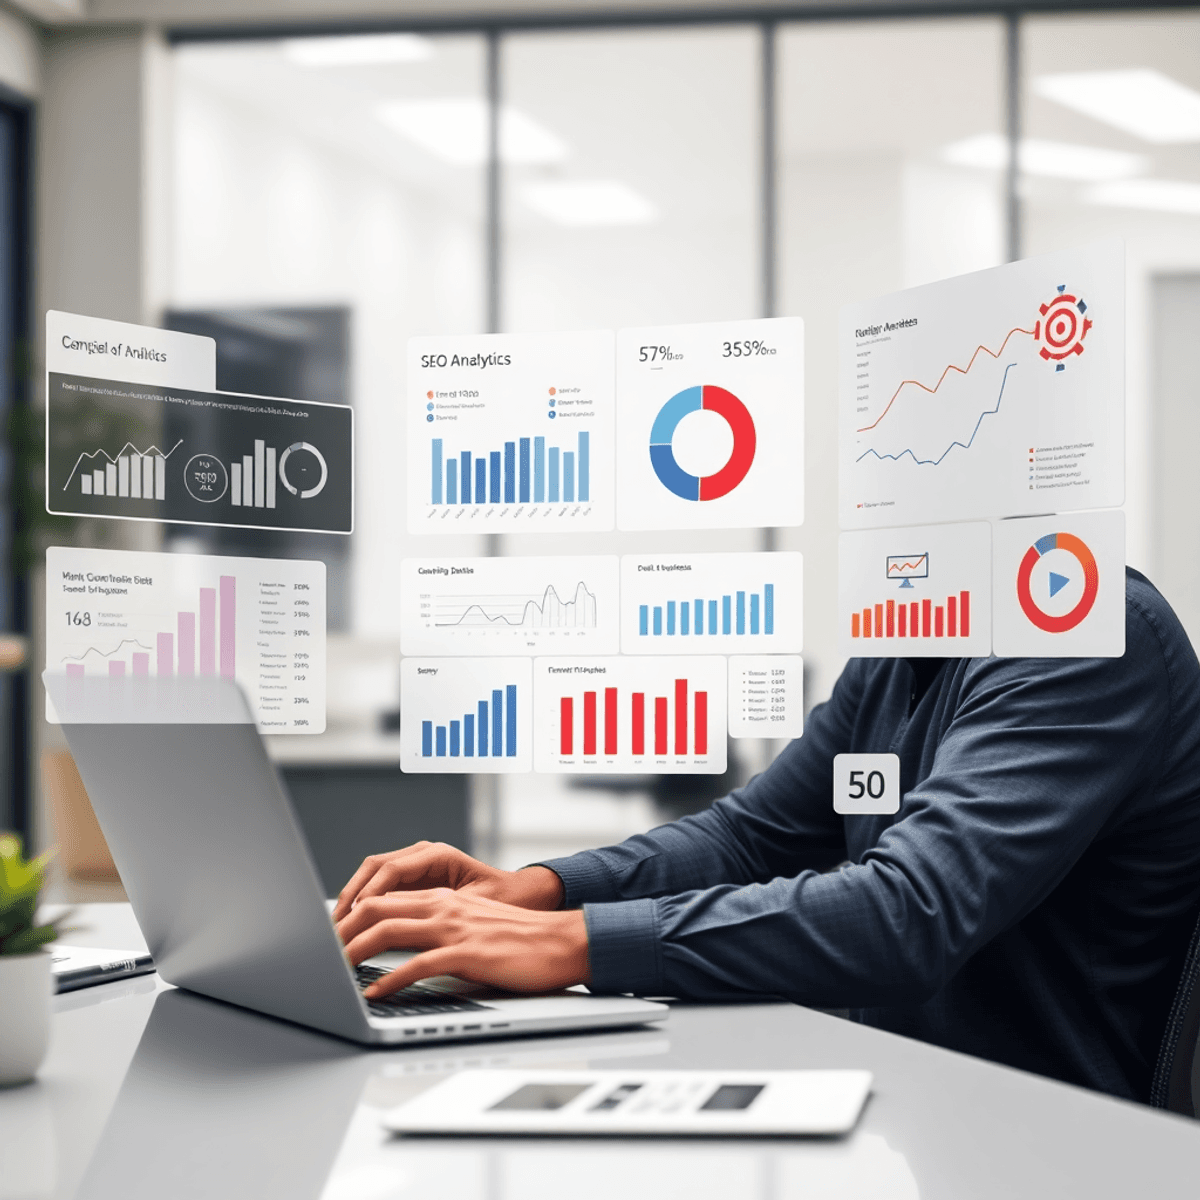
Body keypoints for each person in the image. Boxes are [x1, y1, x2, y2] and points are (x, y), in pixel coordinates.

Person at [335, 568, 1200, 1102]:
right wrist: (540, 890)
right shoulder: (912, 641)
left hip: (1044, 1145)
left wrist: (575, 943)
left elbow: (910, 912)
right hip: (910, 1116)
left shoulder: (1091, 633)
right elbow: (754, 837)